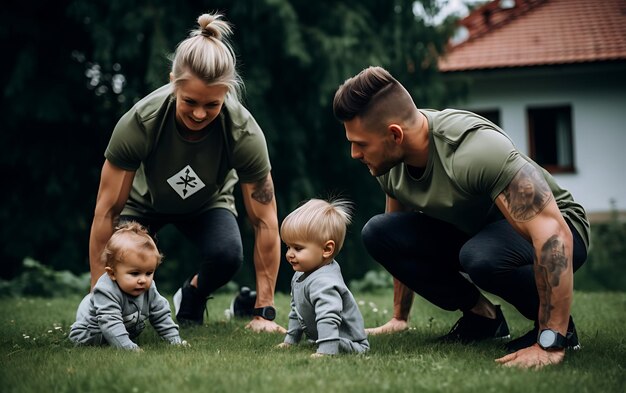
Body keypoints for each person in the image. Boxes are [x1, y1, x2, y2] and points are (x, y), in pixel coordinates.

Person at [332, 66, 589, 369]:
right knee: (378, 232)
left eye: (360, 144)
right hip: (479, 233)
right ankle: (483, 319)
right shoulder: (389, 162)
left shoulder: (474, 150)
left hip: (561, 225)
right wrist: (399, 318)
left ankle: (559, 330)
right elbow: (397, 234)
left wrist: (551, 340)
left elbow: (552, 232)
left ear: (394, 134)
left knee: (480, 256)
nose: (354, 153)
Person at [88, 12, 284, 333]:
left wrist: (264, 312)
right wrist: (97, 294)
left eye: (212, 105)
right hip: (143, 203)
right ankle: (119, 311)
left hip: (208, 202)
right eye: (190, 101)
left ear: (227, 95)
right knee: (122, 256)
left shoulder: (244, 133)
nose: (199, 113)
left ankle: (191, 295)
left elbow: (265, 221)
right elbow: (106, 211)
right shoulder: (139, 122)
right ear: (172, 83)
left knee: (227, 255)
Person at [70, 222, 186, 350]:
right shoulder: (105, 291)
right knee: (92, 340)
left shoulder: (149, 288)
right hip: (90, 331)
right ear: (112, 273)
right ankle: (115, 339)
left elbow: (161, 314)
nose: (143, 279)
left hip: (126, 326)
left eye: (149, 273)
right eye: (135, 273)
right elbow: (110, 323)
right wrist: (128, 347)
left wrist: (175, 340)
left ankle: (122, 336)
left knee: (128, 328)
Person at [277, 198, 370, 357]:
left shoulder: (325, 282)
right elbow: (297, 310)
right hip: (324, 336)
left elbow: (328, 316)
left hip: (350, 342)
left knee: (335, 338)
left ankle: (328, 345)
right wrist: (291, 340)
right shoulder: (301, 274)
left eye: (298, 248)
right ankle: (322, 341)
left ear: (327, 249)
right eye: (288, 247)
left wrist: (326, 351)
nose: (289, 254)